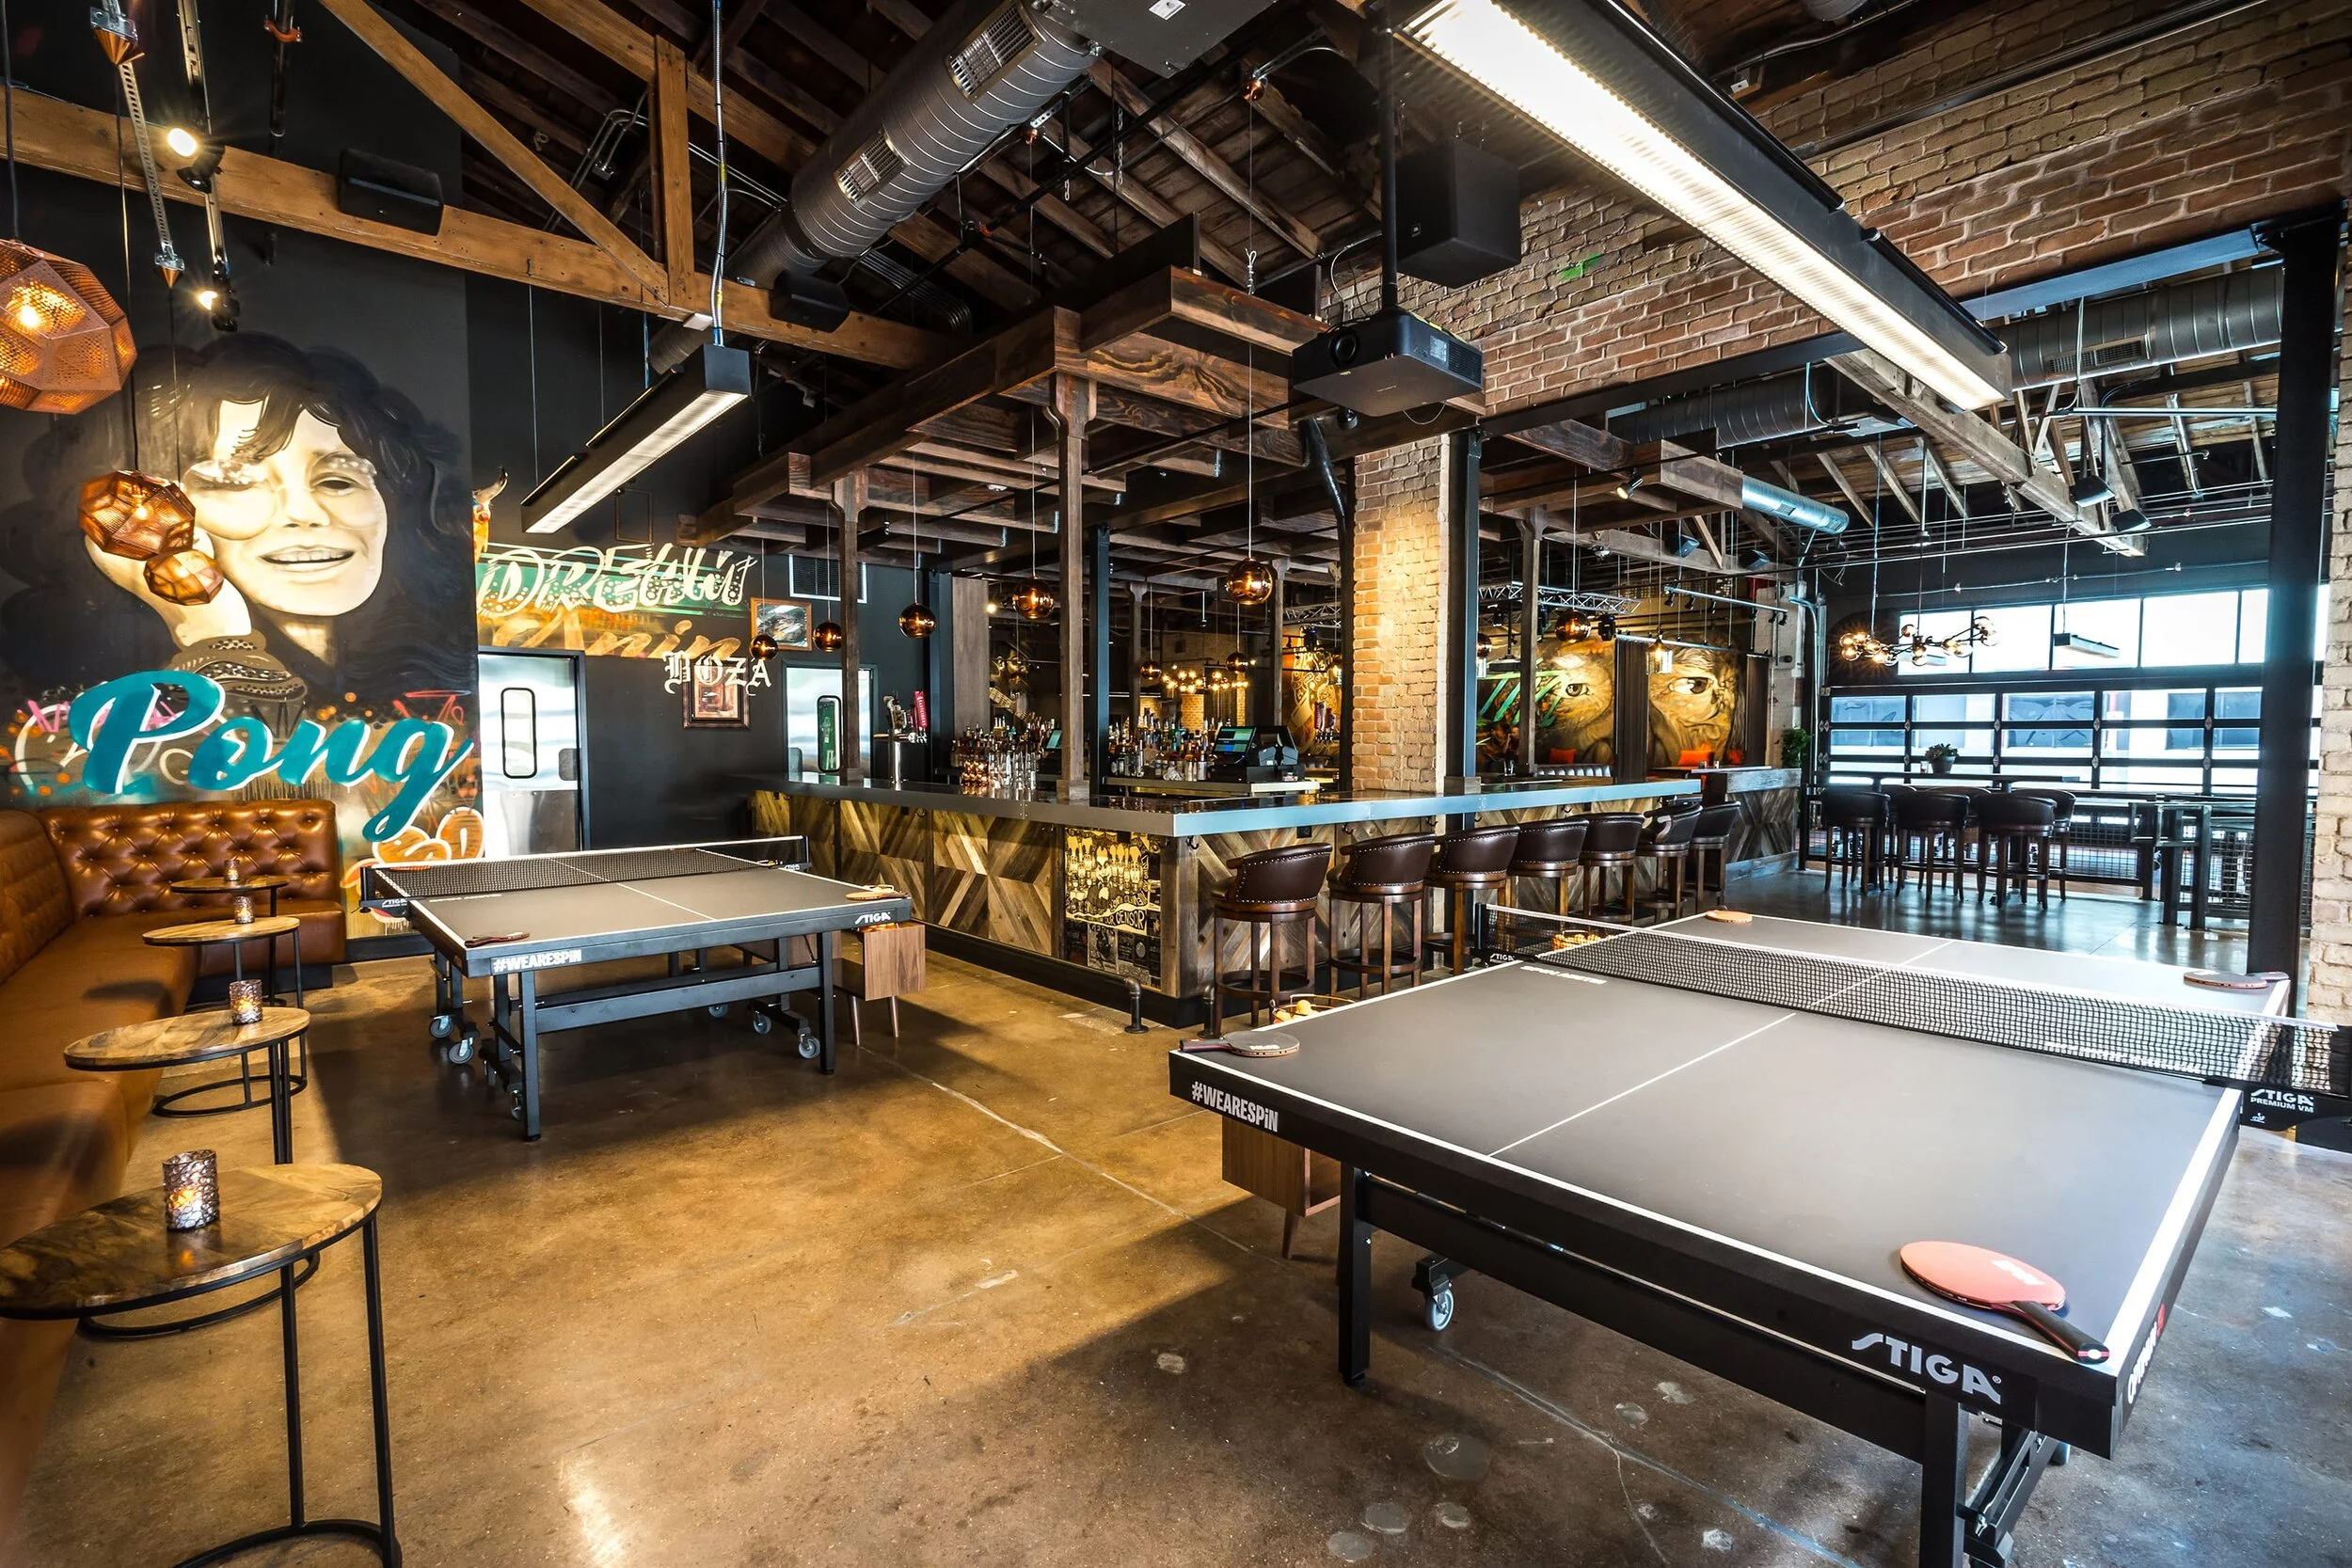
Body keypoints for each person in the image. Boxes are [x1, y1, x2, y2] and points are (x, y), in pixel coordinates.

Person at [0, 335, 474, 711]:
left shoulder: (435, 670)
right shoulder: (64, 677)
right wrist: (208, 628)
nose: (306, 514)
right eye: (234, 482)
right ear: (160, 511)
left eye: (337, 480)